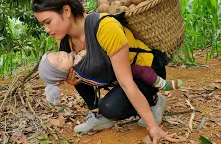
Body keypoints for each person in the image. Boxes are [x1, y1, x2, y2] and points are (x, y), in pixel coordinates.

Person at [31, 0, 179, 144]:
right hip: (113, 74)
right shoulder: (65, 41)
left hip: (145, 73)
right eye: (42, 24)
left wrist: (153, 127)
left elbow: (126, 81)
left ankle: (154, 101)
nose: (46, 29)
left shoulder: (105, 28)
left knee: (111, 109)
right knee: (71, 68)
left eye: (48, 22)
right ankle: (99, 116)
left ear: (66, 11)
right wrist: (71, 79)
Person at [39, 50, 182, 94]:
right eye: (59, 61)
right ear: (62, 73)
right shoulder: (81, 68)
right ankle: (162, 84)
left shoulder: (74, 56)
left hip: (118, 59)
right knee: (142, 71)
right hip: (117, 70)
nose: (62, 55)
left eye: (58, 54)